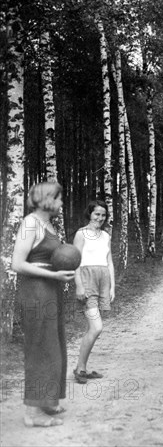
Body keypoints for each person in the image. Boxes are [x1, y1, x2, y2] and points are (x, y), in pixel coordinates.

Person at [11, 182, 75, 427]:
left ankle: (46, 400)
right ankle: (32, 413)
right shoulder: (30, 223)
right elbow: (17, 263)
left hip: (50, 290)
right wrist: (54, 275)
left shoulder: (47, 224)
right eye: (59, 199)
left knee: (53, 344)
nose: (62, 203)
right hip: (36, 293)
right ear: (49, 199)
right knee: (40, 347)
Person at [73, 200, 115, 384]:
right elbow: (74, 262)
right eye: (97, 214)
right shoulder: (81, 234)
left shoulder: (106, 235)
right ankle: (80, 368)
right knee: (96, 327)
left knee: (94, 328)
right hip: (87, 278)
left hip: (103, 279)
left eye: (103, 215)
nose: (100, 218)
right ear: (89, 214)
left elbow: (110, 261)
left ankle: (82, 368)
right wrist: (79, 285)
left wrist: (112, 286)